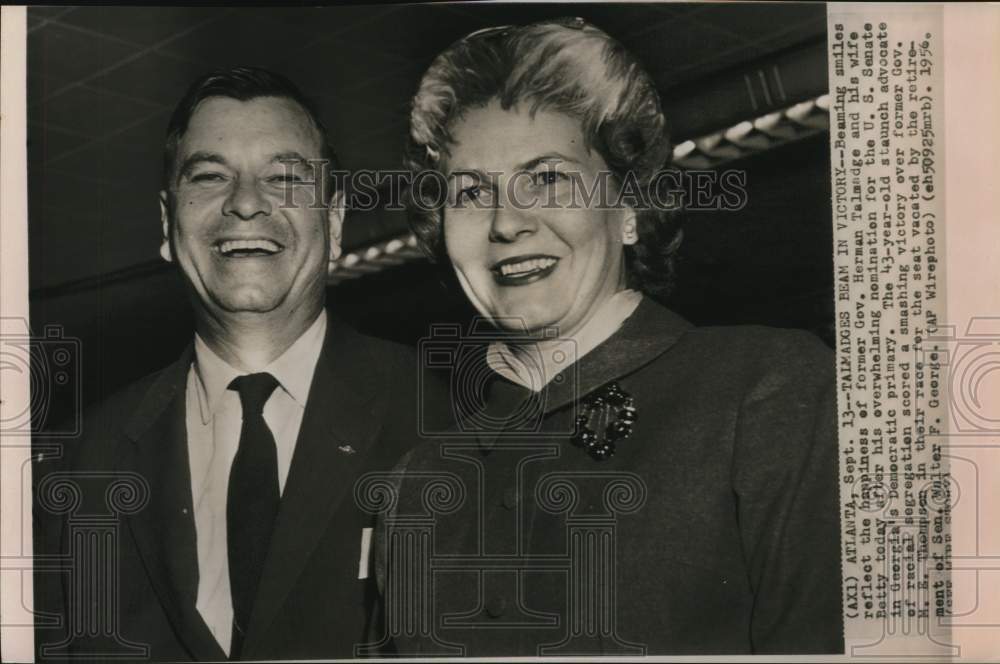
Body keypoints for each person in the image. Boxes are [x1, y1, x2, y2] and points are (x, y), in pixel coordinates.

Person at [371, 18, 844, 656]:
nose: (507, 222)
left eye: (548, 178)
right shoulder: (411, 487)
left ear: (627, 208)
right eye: (471, 192)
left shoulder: (769, 394)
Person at [33, 67, 440, 661]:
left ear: (333, 219)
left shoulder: (447, 424)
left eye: (283, 176)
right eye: (210, 176)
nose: (246, 203)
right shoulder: (80, 467)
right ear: (169, 224)